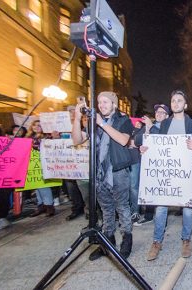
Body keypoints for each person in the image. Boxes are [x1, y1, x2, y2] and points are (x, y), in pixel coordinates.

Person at [72, 91, 134, 260]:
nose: (102, 105)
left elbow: (123, 140)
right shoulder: (93, 122)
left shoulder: (123, 120)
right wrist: (77, 119)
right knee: (106, 210)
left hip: (118, 172)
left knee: (122, 207)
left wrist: (102, 123)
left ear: (114, 104)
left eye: (106, 102)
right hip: (99, 173)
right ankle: (108, 242)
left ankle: (127, 240)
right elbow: (77, 141)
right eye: (99, 102)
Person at [146, 90, 192, 261]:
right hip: (167, 175)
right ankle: (157, 241)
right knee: (161, 208)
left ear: (185, 105)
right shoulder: (164, 124)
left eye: (179, 100)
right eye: (173, 101)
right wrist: (146, 150)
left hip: (186, 174)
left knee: (187, 209)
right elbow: (154, 147)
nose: (176, 103)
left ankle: (186, 239)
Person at [133, 104, 170, 226]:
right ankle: (148, 215)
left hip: (163, 165)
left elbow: (163, 139)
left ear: (167, 116)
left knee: (161, 191)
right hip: (149, 164)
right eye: (157, 112)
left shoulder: (168, 126)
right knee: (149, 189)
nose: (158, 114)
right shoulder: (149, 126)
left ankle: (161, 219)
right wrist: (146, 131)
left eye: (162, 112)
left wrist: (151, 127)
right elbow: (137, 140)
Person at [26, 120, 55, 217]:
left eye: (39, 125)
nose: (36, 127)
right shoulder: (28, 137)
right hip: (33, 166)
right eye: (34, 125)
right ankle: (41, 205)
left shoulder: (47, 136)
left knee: (43, 186)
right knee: (37, 186)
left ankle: (49, 205)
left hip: (43, 164)